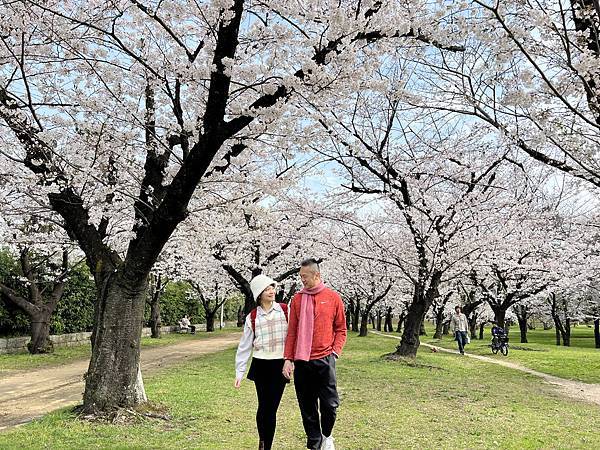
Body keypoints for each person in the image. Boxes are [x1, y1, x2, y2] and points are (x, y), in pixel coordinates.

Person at [282, 259, 347, 450]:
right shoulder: (298, 299)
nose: (302, 280)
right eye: (301, 276)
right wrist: (288, 359)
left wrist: (334, 352)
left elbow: (341, 329)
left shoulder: (333, 297)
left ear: (316, 275)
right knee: (307, 406)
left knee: (330, 405)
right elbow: (292, 331)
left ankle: (327, 435)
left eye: (305, 276)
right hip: (302, 360)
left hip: (325, 359)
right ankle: (314, 443)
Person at [234, 274, 290, 450]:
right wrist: (239, 372)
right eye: (267, 289)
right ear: (259, 294)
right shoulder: (252, 317)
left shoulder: (285, 310)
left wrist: (291, 360)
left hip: (279, 364)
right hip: (261, 364)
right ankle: (263, 441)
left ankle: (267, 445)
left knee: (271, 408)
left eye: (272, 287)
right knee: (263, 406)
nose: (272, 291)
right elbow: (245, 346)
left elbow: (294, 336)